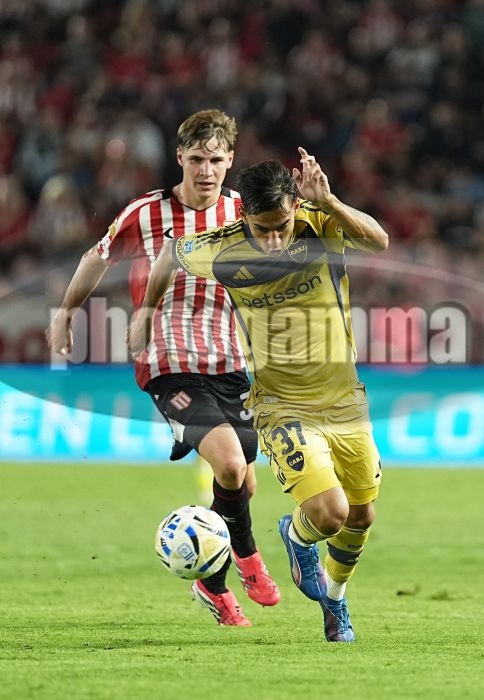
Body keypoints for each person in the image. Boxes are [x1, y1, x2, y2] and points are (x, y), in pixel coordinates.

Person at [127, 147, 389, 643]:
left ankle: (335, 601)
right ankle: (297, 535)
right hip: (280, 403)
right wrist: (146, 313)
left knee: (361, 516)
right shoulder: (221, 247)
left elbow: (379, 241)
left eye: (281, 226)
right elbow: (168, 254)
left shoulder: (318, 222)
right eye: (261, 228)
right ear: (243, 214)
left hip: (345, 399)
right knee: (330, 513)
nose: (272, 240)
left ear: (295, 207)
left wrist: (330, 202)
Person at [45, 108, 280, 627]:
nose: (205, 170)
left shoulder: (244, 211)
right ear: (179, 158)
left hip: (229, 362)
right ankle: (249, 559)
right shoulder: (146, 211)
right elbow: (97, 257)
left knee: (243, 485)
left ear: (230, 160)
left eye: (215, 160)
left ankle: (210, 584)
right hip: (167, 360)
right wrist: (66, 312)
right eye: (196, 159)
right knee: (230, 466)